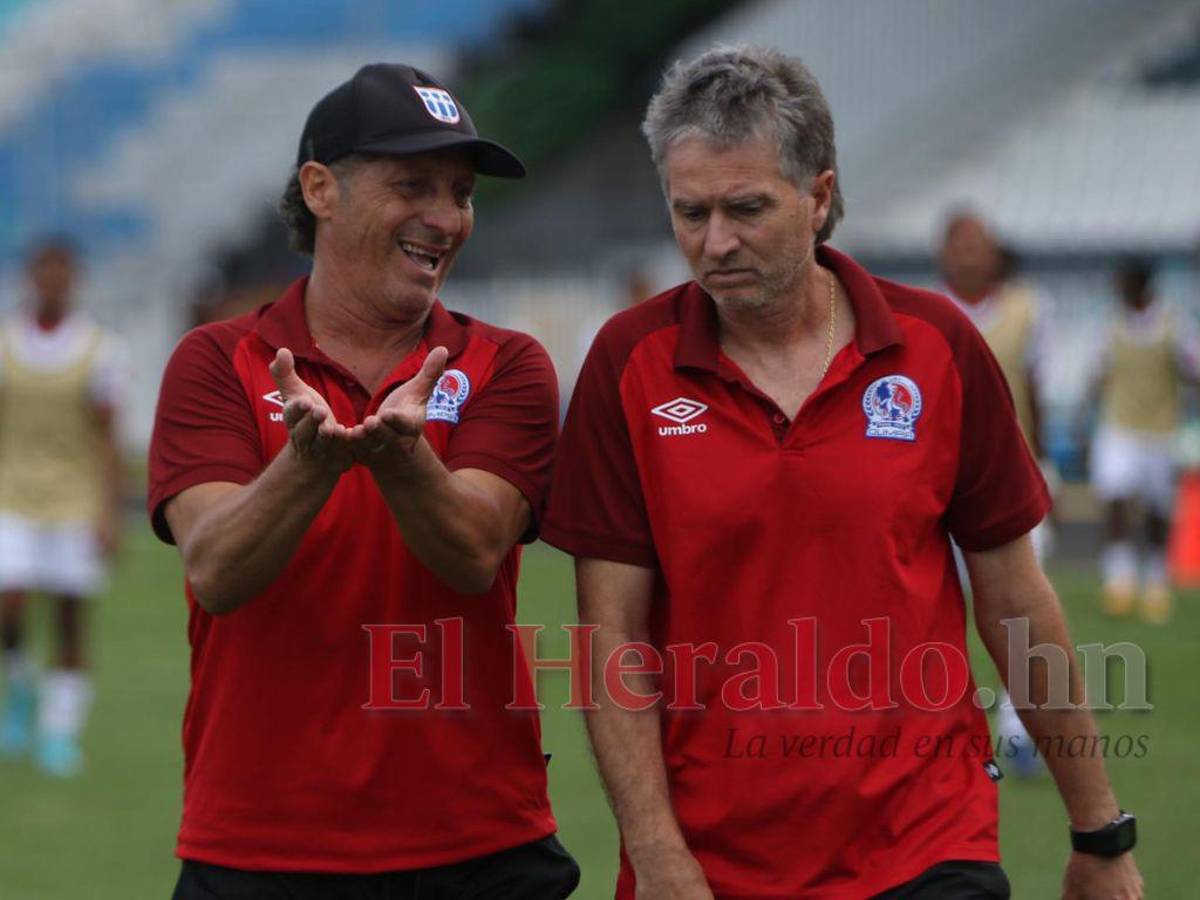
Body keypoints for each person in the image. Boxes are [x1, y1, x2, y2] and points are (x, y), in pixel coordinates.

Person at [543, 46, 1142, 899]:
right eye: (690, 212)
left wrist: (1100, 831)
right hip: (716, 860)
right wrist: (658, 853)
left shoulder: (937, 347)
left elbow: (1015, 598)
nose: (714, 243)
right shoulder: (627, 364)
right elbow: (613, 640)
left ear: (819, 196)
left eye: (745, 209)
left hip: (927, 842)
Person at [147, 63, 579, 899]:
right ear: (320, 189)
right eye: (411, 184)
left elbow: (474, 551)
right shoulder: (214, 361)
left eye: (460, 192)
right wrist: (308, 466)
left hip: (479, 849)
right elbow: (216, 569)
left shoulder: (509, 365)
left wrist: (397, 456)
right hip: (259, 852)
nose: (447, 218)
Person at [0, 236, 124, 777]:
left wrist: (108, 511)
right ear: (30, 276)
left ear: (74, 279)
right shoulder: (5, 343)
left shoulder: (98, 350)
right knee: (11, 603)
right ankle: (21, 684)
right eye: (44, 269)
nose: (52, 280)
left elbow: (107, 437)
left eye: (62, 270)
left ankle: (59, 730)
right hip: (12, 492)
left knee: (71, 620)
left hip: (75, 499)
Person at [939, 212, 1055, 777]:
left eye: (978, 243)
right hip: (940, 491)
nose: (968, 254)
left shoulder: (1026, 309)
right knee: (942, 613)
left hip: (1013, 481)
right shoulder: (922, 317)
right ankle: (950, 731)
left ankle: (1018, 730)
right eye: (959, 244)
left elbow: (1036, 387)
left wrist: (1046, 460)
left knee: (1019, 612)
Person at [1088, 257, 1199, 623]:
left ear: (1140, 283)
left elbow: (1192, 369)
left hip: (1160, 429)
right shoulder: (1112, 325)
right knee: (1116, 497)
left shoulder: (1173, 324)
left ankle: (1155, 578)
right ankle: (1119, 577)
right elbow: (1098, 374)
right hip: (1119, 426)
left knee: (1156, 509)